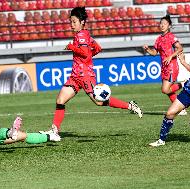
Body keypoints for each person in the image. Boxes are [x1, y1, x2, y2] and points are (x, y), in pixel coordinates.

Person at [40, 7, 143, 137]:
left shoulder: (81, 35)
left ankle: (130, 106)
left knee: (99, 102)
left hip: (85, 75)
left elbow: (85, 53)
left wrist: (71, 47)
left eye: (74, 22)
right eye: (71, 22)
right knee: (60, 100)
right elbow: (98, 48)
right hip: (76, 76)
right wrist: (87, 58)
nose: (71, 25)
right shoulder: (85, 34)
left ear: (82, 22)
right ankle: (54, 131)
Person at [143, 15, 187, 116]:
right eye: (161, 23)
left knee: (165, 89)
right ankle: (181, 109)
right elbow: (154, 52)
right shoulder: (158, 39)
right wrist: (147, 49)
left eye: (165, 24)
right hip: (164, 67)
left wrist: (170, 56)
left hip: (172, 66)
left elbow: (180, 48)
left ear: (169, 26)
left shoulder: (171, 37)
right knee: (168, 91)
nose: (162, 25)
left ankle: (183, 84)